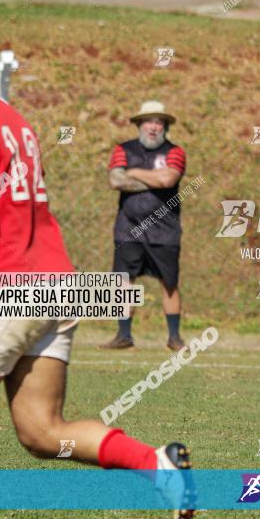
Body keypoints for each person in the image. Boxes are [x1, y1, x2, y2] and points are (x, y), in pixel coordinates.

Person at [0, 49, 195, 519]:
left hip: (2, 291)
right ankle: (158, 465)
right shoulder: (7, 115)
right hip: (55, 285)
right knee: (43, 431)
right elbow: (3, 203)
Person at [103, 101, 187, 351]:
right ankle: (124, 335)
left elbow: (168, 179)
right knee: (123, 282)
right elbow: (115, 180)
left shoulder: (175, 152)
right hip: (128, 229)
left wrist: (135, 172)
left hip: (165, 230)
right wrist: (155, 179)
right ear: (139, 124)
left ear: (165, 127)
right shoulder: (122, 149)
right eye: (149, 121)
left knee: (169, 283)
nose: (153, 127)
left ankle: (174, 337)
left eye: (159, 122)